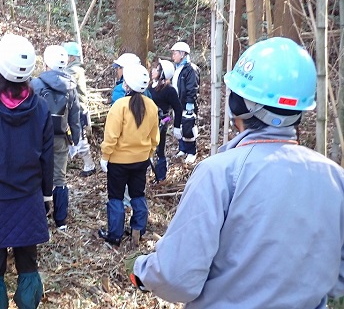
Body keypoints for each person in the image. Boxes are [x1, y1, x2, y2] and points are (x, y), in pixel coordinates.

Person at [127, 37, 344, 309]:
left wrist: (142, 271)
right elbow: (338, 279)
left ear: (239, 105)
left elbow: (176, 277)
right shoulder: (335, 178)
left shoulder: (220, 173)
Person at [0, 33, 54, 309]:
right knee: (28, 262)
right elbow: (47, 157)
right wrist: (47, 195)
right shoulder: (40, 106)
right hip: (28, 197)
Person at [98, 63, 159, 247]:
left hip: (118, 161)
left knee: (116, 197)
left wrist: (105, 156)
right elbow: (154, 136)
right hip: (141, 160)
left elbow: (111, 136)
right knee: (137, 194)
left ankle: (115, 235)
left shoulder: (119, 106)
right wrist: (149, 153)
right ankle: (138, 230)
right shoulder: (152, 106)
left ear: (126, 84)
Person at [31, 45, 81, 231]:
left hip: (37, 139)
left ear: (45, 63)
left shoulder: (35, 84)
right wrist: (76, 139)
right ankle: (61, 221)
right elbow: (75, 116)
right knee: (60, 178)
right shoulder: (70, 86)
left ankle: (39, 217)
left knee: (37, 175)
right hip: (61, 137)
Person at [63, 41, 96, 177]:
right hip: (74, 109)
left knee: (80, 138)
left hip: (78, 110)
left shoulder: (74, 70)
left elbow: (63, 80)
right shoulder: (73, 68)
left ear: (71, 57)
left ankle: (90, 165)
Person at [148, 59, 182, 183]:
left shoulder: (169, 90)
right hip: (148, 121)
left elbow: (178, 108)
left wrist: (177, 127)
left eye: (157, 69)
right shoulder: (149, 86)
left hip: (162, 121)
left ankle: (160, 176)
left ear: (163, 73)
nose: (153, 71)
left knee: (159, 149)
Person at [170, 41, 200, 164]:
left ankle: (192, 151)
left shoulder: (190, 69)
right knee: (179, 127)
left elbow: (192, 88)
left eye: (175, 53)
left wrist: (190, 104)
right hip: (177, 104)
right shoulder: (178, 68)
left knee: (188, 127)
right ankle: (182, 148)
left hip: (186, 104)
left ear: (182, 54)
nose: (173, 56)